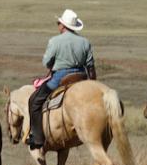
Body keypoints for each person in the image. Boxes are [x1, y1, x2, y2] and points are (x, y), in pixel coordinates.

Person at [28, 9, 96, 149]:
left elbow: (46, 63)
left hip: (60, 78)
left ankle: (38, 138)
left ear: (63, 26)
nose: (58, 24)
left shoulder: (55, 41)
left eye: (58, 22)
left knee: (34, 101)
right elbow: (91, 68)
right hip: (81, 77)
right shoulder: (85, 42)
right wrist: (93, 86)